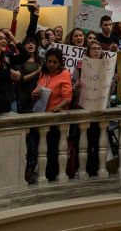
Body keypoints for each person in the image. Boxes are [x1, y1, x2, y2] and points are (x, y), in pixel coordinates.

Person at [26, 48, 73, 183]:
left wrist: (57, 108)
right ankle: (41, 173)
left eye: (54, 62)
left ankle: (51, 176)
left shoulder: (64, 74)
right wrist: (34, 94)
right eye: (49, 61)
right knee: (39, 148)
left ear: (59, 63)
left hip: (55, 119)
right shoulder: (43, 73)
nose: (51, 64)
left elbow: (67, 97)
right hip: (41, 116)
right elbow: (37, 89)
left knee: (52, 149)